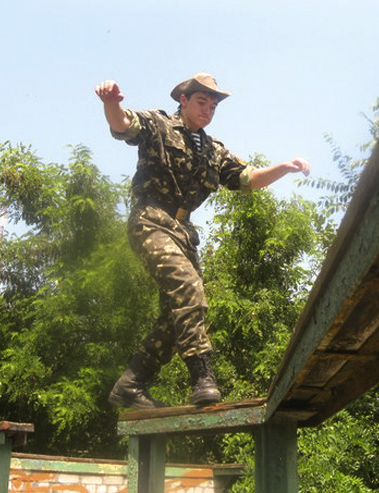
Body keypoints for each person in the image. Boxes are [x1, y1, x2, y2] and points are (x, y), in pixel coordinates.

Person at [95, 73, 310, 409]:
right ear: (183, 100)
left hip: (182, 231)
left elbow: (248, 179)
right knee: (189, 290)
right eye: (201, 102)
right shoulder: (159, 125)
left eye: (213, 106)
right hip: (151, 220)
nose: (207, 110)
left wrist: (283, 167)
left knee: (176, 313)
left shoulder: (213, 149)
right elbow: (123, 124)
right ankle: (202, 377)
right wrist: (111, 104)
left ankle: (130, 384)